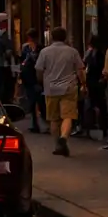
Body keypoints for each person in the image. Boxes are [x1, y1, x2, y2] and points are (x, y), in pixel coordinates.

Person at [35, 26, 85, 157]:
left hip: (51, 88)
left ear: (52, 37)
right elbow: (80, 69)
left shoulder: (45, 52)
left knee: (54, 119)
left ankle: (58, 145)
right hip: (69, 88)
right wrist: (84, 84)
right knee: (68, 116)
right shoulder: (72, 52)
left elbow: (39, 70)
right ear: (65, 37)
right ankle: (64, 137)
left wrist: (42, 81)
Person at [19, 33, 44, 134]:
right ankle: (35, 123)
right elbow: (22, 61)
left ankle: (42, 121)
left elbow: (39, 62)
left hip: (37, 77)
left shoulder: (41, 49)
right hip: (28, 77)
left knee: (40, 100)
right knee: (31, 101)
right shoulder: (26, 48)